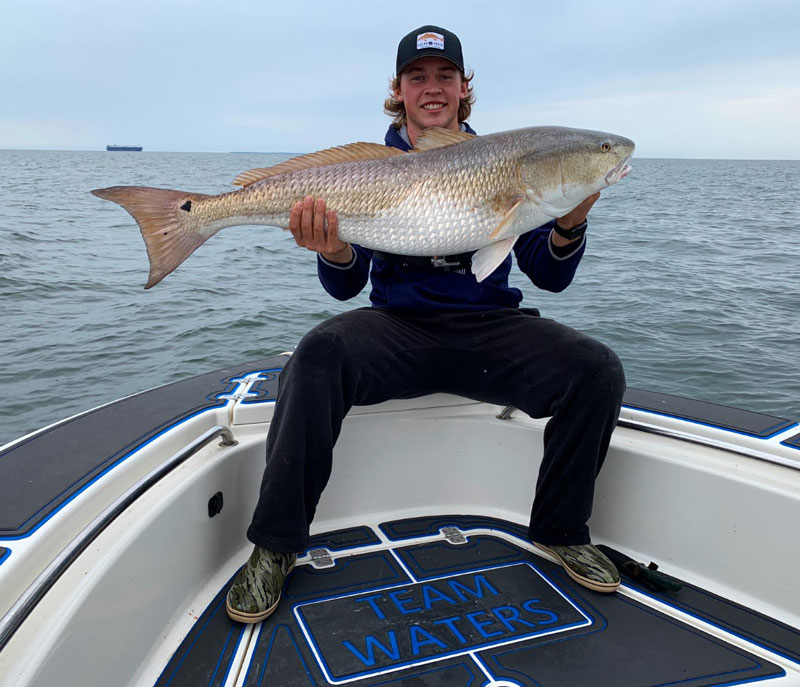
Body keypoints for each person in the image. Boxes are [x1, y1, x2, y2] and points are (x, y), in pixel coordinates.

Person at [225, 25, 625, 624]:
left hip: (489, 328)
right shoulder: (368, 168)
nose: (432, 88)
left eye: (445, 76)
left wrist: (571, 220)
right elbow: (347, 285)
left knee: (596, 370)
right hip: (398, 329)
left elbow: (550, 275)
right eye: (418, 77)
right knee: (317, 354)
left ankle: (561, 531)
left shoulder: (511, 164)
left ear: (464, 88)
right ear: (399, 90)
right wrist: (332, 249)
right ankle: (275, 547)